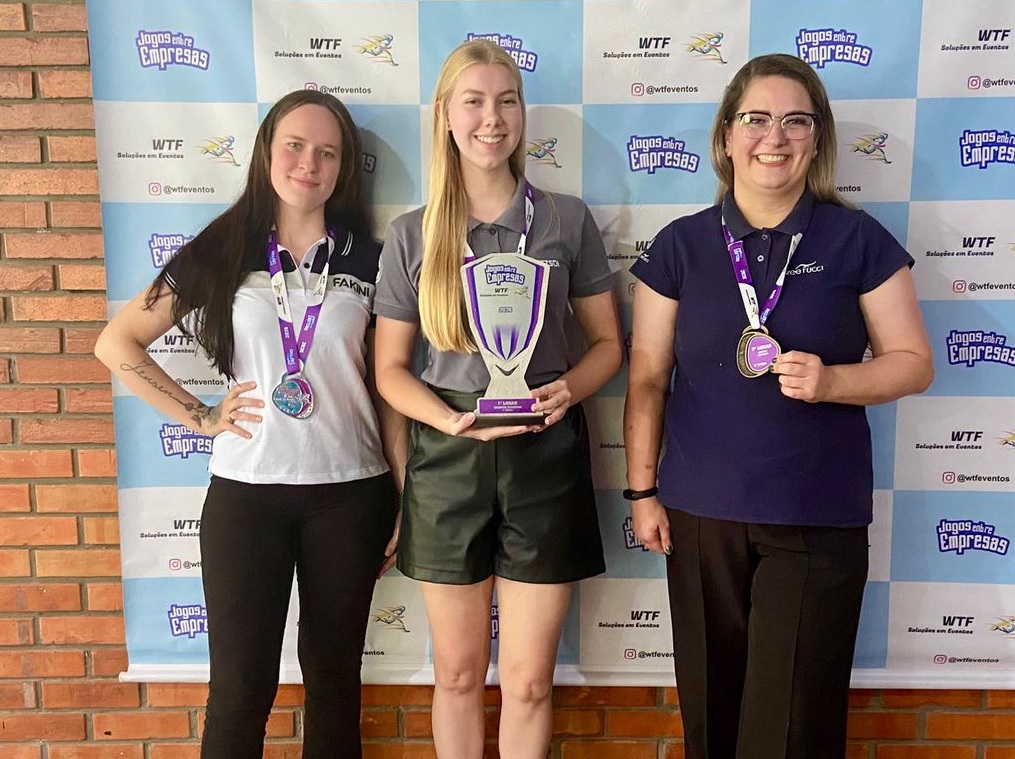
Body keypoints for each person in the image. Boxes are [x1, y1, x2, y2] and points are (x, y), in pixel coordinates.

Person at [623, 53, 933, 759]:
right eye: (756, 119)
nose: (775, 136)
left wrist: (832, 382)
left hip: (814, 517)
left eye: (796, 121)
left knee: (792, 730)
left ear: (817, 139)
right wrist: (640, 491)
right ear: (726, 136)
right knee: (710, 720)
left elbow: (914, 363)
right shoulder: (679, 245)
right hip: (700, 516)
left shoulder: (857, 239)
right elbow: (646, 379)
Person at [94, 90, 405, 759]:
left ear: (344, 167)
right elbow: (117, 342)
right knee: (240, 689)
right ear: (267, 151)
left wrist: (404, 494)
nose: (309, 164)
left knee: (334, 685)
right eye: (295, 145)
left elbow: (388, 388)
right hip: (246, 496)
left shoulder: (371, 260)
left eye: (327, 152)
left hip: (351, 495)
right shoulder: (224, 247)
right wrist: (201, 415)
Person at [373, 39, 622, 759]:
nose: (492, 118)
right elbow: (390, 370)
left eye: (507, 101)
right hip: (447, 457)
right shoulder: (412, 233)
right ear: (445, 115)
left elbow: (609, 345)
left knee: (530, 681)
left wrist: (569, 389)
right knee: (455, 674)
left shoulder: (566, 219)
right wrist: (449, 420)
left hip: (545, 450)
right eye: (474, 102)